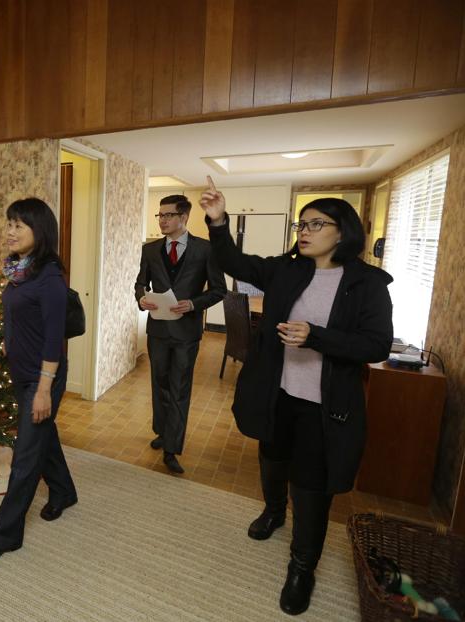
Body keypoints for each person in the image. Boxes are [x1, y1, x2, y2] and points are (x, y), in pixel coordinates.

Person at [199, 176, 393, 615]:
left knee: (311, 485)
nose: (304, 231)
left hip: (324, 406)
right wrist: (218, 220)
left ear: (342, 233)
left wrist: (316, 337)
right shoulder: (287, 269)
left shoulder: (367, 284)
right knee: (272, 456)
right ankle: (273, 511)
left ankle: (302, 568)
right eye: (301, 224)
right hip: (278, 391)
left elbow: (377, 345)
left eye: (316, 224)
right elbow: (233, 260)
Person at [0, 198, 77, 562]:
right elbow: (19, 317)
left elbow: (53, 340)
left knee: (25, 458)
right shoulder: (19, 271)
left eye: (19, 225)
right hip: (22, 372)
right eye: (9, 224)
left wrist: (44, 390)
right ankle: (63, 492)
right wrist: (10, 341)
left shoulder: (50, 278)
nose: (10, 231)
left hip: (42, 378)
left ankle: (6, 535)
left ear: (39, 231)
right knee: (43, 436)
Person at [135, 195, 226, 473]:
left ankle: (172, 448)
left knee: (179, 388)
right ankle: (163, 431)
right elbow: (140, 283)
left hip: (187, 332)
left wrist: (194, 304)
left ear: (183, 217)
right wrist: (141, 299)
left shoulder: (206, 250)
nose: (162, 220)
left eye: (168, 215)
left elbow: (218, 290)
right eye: (160, 215)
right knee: (159, 383)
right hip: (158, 330)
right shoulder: (150, 250)